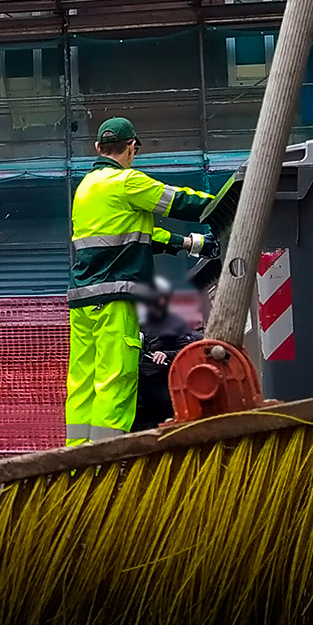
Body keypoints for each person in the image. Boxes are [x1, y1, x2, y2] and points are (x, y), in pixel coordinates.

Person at [66, 117, 213, 445]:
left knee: (83, 381)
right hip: (116, 296)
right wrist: (226, 202)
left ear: (97, 148)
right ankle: (106, 457)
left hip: (83, 299)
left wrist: (187, 243)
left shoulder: (86, 189)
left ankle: (74, 460)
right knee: (115, 378)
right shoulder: (127, 182)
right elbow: (179, 200)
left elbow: (135, 234)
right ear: (132, 147)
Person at [133, 276, 204, 432]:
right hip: (139, 389)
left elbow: (188, 351)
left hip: (162, 386)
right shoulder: (133, 324)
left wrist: (166, 354)